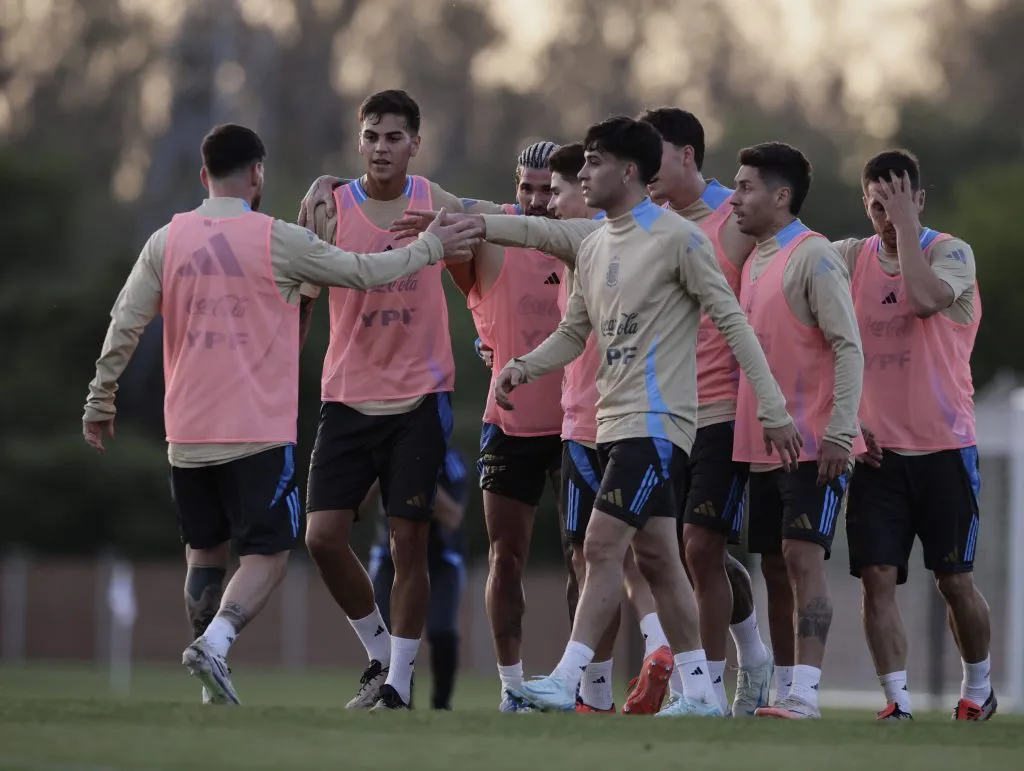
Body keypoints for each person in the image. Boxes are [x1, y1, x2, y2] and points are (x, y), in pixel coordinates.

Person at [80, 123, 478, 705]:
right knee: (266, 555)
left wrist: (100, 396)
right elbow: (364, 273)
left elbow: (126, 320)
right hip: (256, 433)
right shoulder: (277, 239)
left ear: (203, 176)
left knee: (204, 553)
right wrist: (430, 248)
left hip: (185, 432)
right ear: (258, 174)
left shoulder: (167, 239)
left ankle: (212, 684)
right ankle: (215, 644)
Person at [493, 116, 800, 716]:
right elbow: (574, 331)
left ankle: (568, 677)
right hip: (612, 422)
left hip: (659, 422)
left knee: (602, 546)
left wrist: (772, 405)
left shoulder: (677, 239)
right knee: (660, 558)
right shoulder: (595, 243)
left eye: (594, 163)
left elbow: (731, 320)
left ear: (628, 171)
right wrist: (521, 366)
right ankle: (703, 695)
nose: (582, 175)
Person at [300, 89, 484, 712]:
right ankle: (379, 653)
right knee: (322, 536)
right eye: (372, 136)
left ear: (415, 144)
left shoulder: (439, 204)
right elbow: (301, 290)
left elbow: (477, 275)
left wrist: (491, 341)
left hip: (420, 398)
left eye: (395, 137)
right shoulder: (328, 207)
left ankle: (400, 687)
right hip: (347, 397)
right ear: (359, 141)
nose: (382, 148)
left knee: (411, 541)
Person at [833, 150, 993, 721]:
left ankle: (978, 688)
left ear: (919, 200)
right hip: (879, 455)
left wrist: (904, 227)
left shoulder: (949, 252)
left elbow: (924, 302)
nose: (884, 215)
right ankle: (896, 704)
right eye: (876, 204)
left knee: (954, 580)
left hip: (946, 447)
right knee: (876, 577)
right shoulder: (850, 258)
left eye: (897, 202)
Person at [639, 107, 775, 716]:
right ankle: (753, 652)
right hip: (663, 413)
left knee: (698, 547)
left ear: (688, 156)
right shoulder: (651, 222)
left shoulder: (738, 216)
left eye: (654, 155)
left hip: (724, 411)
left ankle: (707, 692)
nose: (643, 169)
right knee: (685, 553)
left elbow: (796, 264)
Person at [727, 142, 866, 719]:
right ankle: (785, 690)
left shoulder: (814, 256)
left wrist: (839, 431)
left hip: (814, 445)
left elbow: (848, 345)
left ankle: (807, 694)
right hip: (762, 447)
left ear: (781, 196)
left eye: (746, 188)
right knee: (776, 566)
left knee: (801, 557)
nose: (735, 198)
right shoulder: (755, 258)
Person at [363, 447, 470, 711]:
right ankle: (397, 698)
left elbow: (453, 516)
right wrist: (384, 472)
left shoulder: (451, 463)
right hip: (391, 558)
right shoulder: (380, 457)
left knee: (442, 631)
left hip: (441, 559)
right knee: (387, 634)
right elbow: (356, 509)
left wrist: (413, 478)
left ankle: (442, 704)